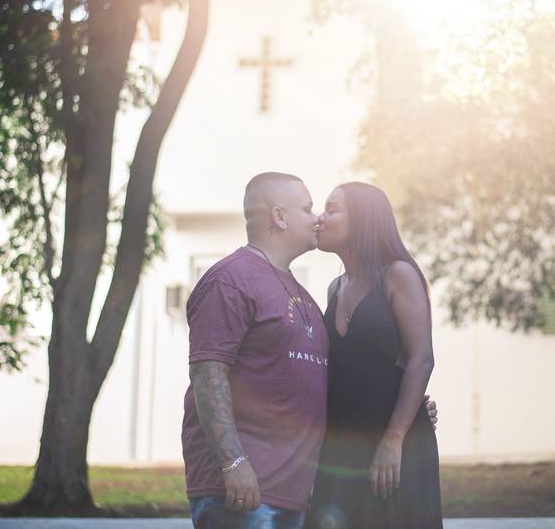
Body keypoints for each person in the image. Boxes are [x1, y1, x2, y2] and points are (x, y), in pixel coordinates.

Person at [182, 172, 436, 529]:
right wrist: (233, 462)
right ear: (279, 216)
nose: (318, 218)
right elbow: (207, 374)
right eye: (310, 208)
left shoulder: (308, 292)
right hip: (266, 482)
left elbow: (408, 360)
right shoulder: (235, 280)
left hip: (318, 479)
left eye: (328, 209)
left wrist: (402, 417)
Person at [307, 182, 443, 529]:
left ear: (363, 219)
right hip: (342, 439)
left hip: (395, 441)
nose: (320, 218)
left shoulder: (399, 275)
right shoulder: (335, 288)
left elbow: (421, 359)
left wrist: (394, 439)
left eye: (332, 209)